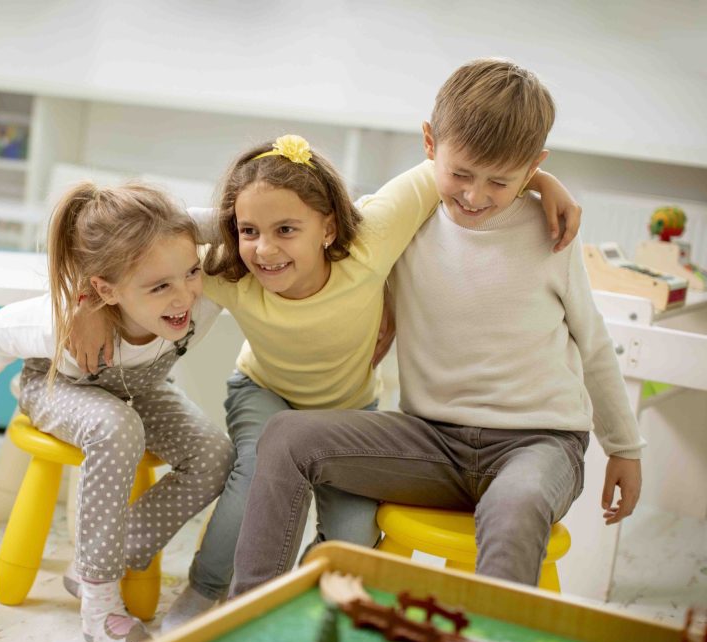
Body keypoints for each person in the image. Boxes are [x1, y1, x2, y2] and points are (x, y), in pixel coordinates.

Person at [69, 134, 582, 629]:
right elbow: (144, 246)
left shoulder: (371, 242)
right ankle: (206, 589)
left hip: (349, 412)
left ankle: (300, 600)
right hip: (263, 392)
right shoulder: (230, 271)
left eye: (286, 229)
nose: (265, 249)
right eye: (248, 230)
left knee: (354, 536)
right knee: (253, 475)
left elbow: (452, 168)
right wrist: (88, 301)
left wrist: (538, 181)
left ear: (329, 228)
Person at [230, 59, 644, 597]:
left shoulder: (551, 233)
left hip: (538, 443)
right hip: (430, 443)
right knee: (285, 436)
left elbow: (594, 345)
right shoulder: (401, 224)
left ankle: (484, 634)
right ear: (429, 143)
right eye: (461, 175)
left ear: (533, 166)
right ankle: (252, 607)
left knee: (515, 503)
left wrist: (624, 447)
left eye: (500, 181)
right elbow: (300, 224)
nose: (474, 196)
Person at [0, 182, 235, 642]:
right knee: (118, 427)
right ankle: (99, 604)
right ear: (105, 289)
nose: (183, 296)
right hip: (59, 387)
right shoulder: (61, 320)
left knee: (215, 454)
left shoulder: (198, 302)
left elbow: (237, 225)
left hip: (139, 391)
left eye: (191, 272)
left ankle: (92, 563)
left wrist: (180, 224)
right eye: (160, 286)